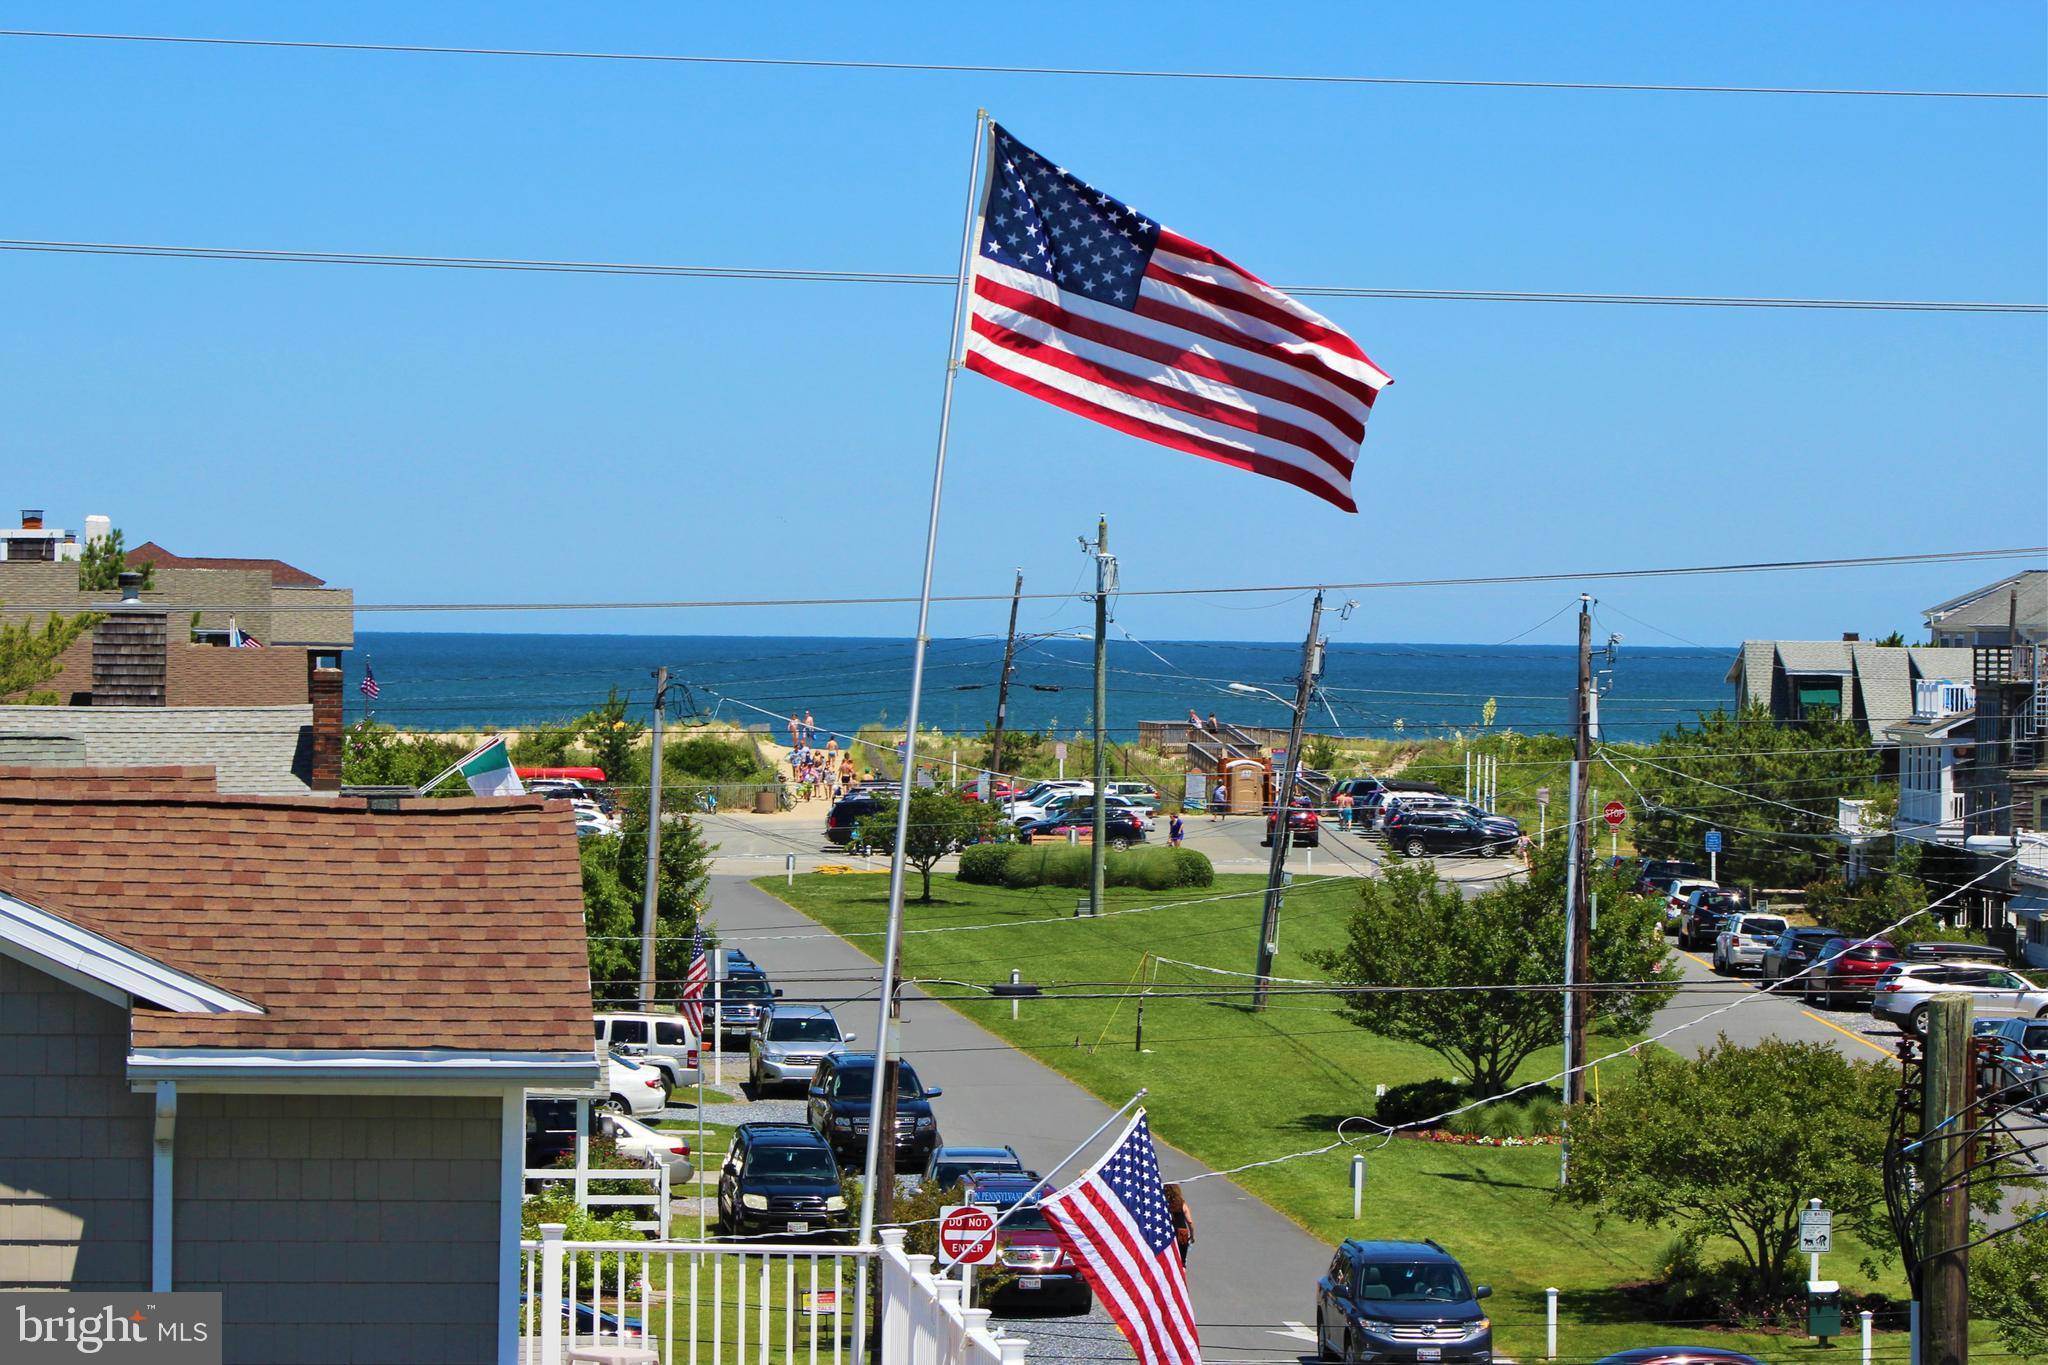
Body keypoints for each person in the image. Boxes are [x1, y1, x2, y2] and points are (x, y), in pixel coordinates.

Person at [1163, 1183, 1194, 1263]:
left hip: (1168, 1233)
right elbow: (1190, 1222)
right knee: (1182, 1259)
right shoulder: (1182, 1204)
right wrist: (1192, 1235)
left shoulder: (1163, 1204)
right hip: (1182, 1233)